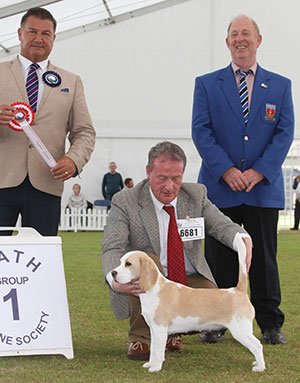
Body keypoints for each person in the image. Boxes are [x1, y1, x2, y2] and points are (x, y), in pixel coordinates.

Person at [192, 15, 294, 345]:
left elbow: (284, 132)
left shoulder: (281, 85)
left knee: (263, 258)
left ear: (258, 40)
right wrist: (227, 170)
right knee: (219, 258)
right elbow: (201, 131)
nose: (240, 39)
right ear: (227, 42)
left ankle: (269, 323)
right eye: (234, 34)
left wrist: (259, 171)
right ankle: (215, 322)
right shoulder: (206, 84)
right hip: (221, 188)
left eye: (246, 33)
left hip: (262, 190)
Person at [101, 141, 252, 360]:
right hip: (150, 280)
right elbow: (112, 246)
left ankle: (174, 333)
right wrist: (113, 280)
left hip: (187, 279)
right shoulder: (126, 201)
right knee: (146, 262)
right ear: (148, 172)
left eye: (176, 179)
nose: (170, 186)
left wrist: (242, 238)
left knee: (210, 292)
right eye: (162, 178)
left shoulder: (196, 195)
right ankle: (141, 339)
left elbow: (221, 225)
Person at [0, 7, 95, 236]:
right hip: (2, 181)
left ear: (54, 37)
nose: (38, 38)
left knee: (41, 259)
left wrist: (73, 160)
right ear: (19, 33)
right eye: (32, 31)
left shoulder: (71, 81)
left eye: (45, 33)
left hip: (47, 183)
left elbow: (84, 131)